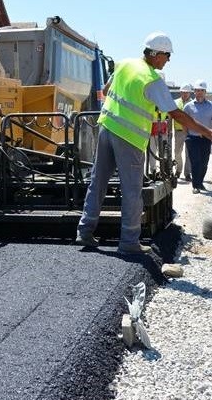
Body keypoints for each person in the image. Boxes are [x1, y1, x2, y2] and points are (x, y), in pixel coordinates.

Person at [75, 32, 212, 254]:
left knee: (97, 182)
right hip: (128, 137)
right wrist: (206, 132)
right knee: (132, 190)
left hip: (106, 128)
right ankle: (129, 242)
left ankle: (84, 231)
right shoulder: (151, 79)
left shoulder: (124, 64)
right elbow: (176, 114)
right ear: (156, 54)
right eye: (167, 55)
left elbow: (107, 90)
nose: (168, 60)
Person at [183, 80, 212, 194]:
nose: (199, 92)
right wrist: (187, 136)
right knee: (195, 161)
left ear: (205, 92)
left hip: (206, 139)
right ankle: (195, 185)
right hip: (193, 139)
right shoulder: (188, 106)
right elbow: (184, 123)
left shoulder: (210, 106)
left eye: (201, 90)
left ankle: (200, 182)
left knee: (204, 162)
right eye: (197, 90)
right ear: (194, 92)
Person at [173, 84, 193, 179]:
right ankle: (178, 169)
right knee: (177, 152)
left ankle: (187, 173)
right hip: (178, 131)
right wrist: (169, 130)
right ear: (180, 92)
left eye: (187, 92)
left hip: (190, 132)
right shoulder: (175, 103)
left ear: (190, 93)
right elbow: (170, 117)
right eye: (183, 92)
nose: (185, 94)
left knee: (189, 153)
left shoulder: (193, 104)